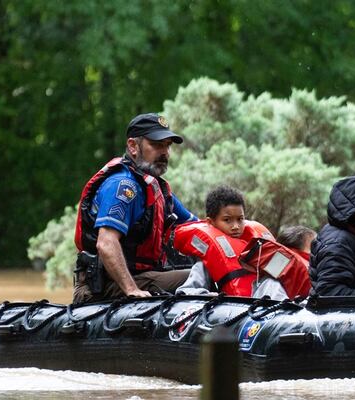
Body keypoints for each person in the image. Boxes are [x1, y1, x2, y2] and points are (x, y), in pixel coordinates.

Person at [73, 113, 199, 304]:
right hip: (106, 287)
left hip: (144, 277)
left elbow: (196, 227)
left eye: (167, 145)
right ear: (133, 146)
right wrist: (132, 289)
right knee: (198, 276)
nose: (164, 152)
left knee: (206, 269)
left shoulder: (156, 189)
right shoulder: (123, 187)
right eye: (157, 145)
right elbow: (106, 244)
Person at [172, 186, 274, 296]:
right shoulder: (207, 261)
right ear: (211, 223)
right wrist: (215, 297)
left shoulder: (256, 250)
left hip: (267, 306)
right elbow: (187, 291)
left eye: (240, 219)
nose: (235, 226)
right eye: (227, 220)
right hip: (234, 308)